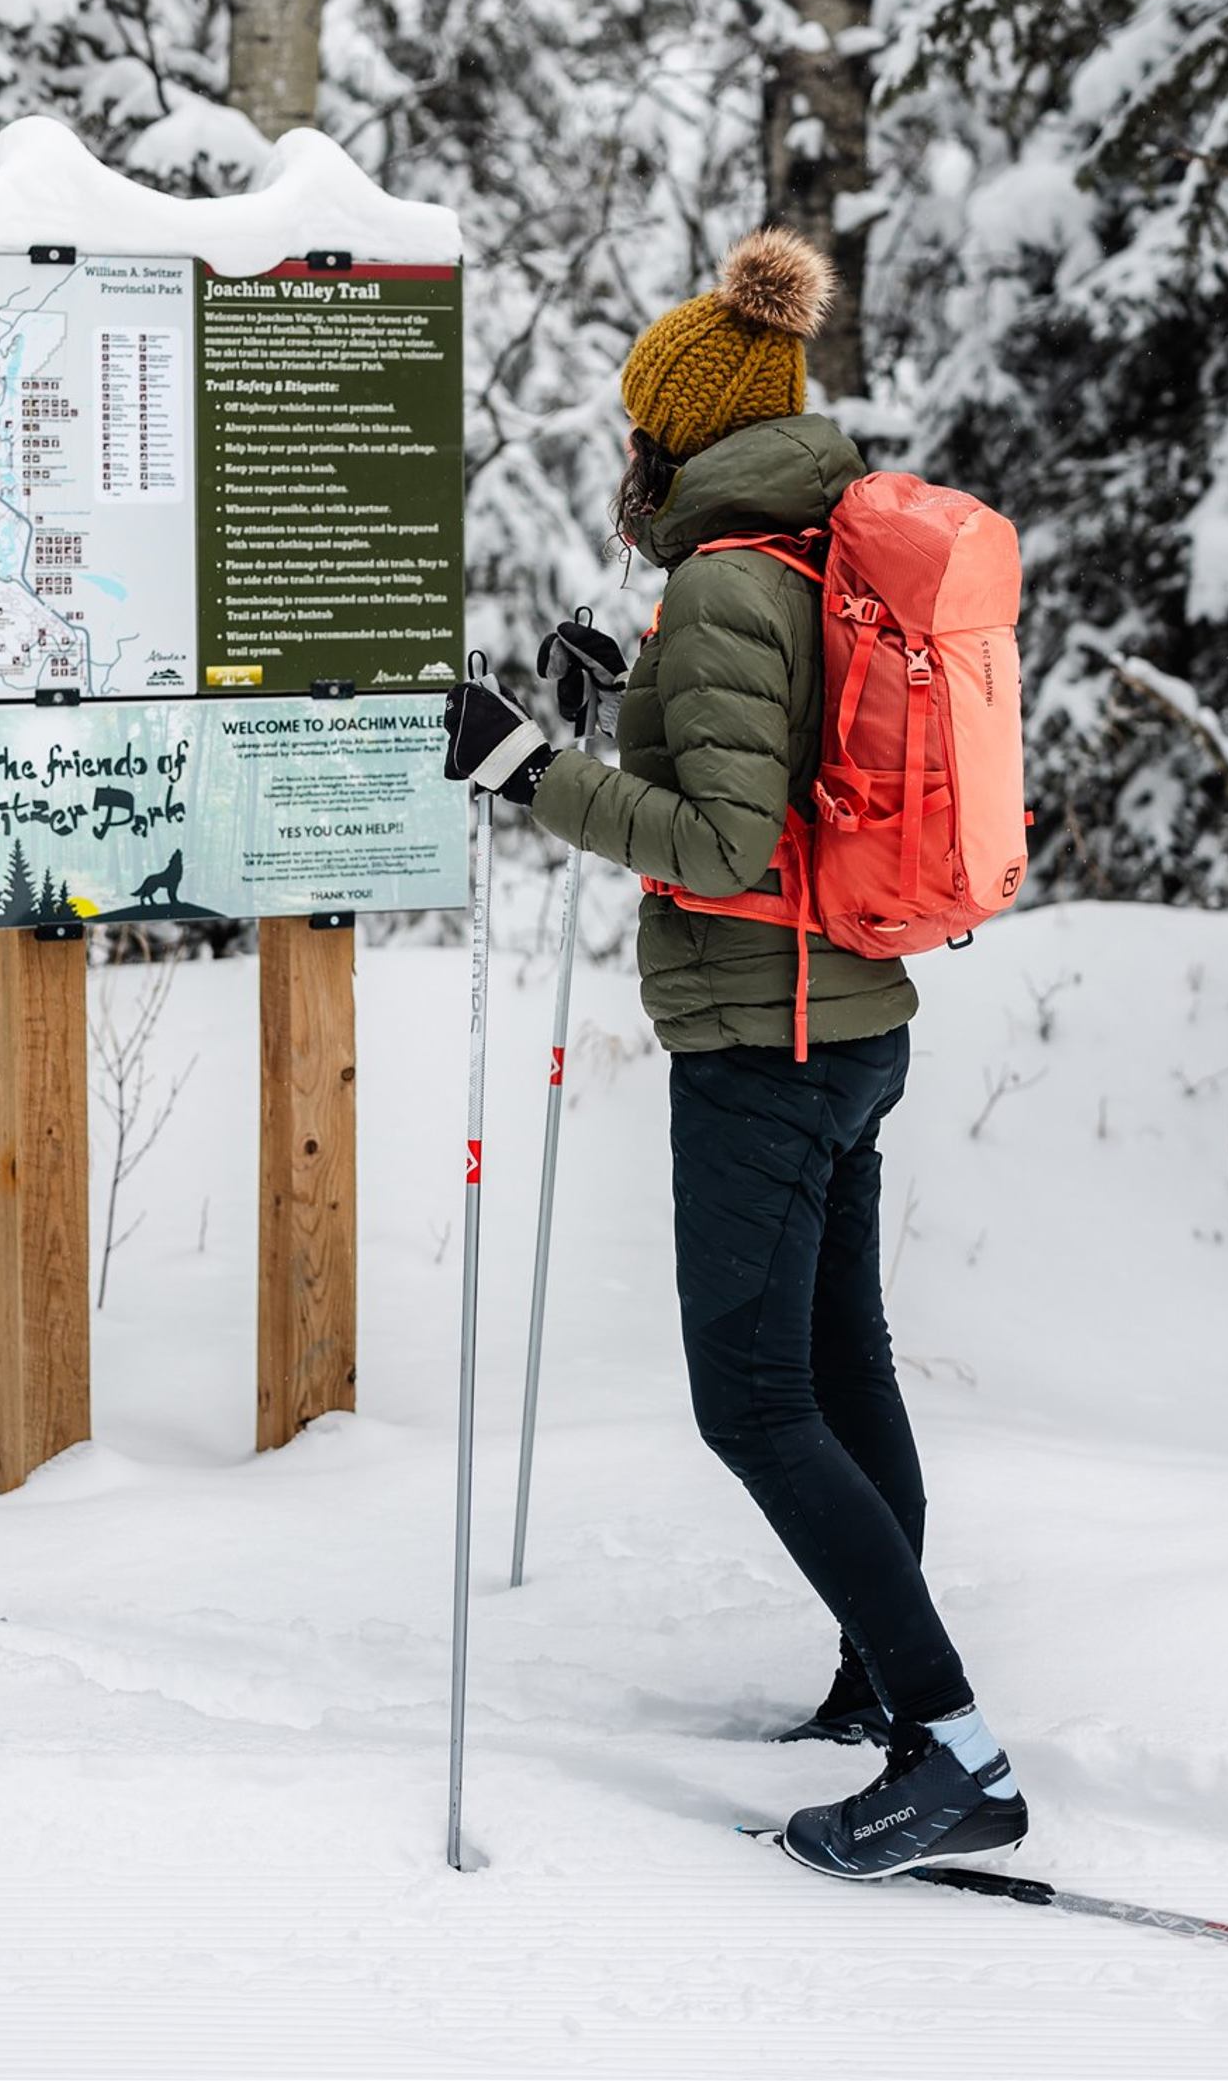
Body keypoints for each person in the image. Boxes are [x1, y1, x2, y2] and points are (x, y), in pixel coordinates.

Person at [442, 229, 1026, 1882]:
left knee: (755, 1402)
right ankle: (879, 1691)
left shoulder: (722, 581)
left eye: (640, 424)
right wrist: (618, 705)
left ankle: (954, 1743)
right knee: (845, 1373)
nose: (626, 452)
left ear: (676, 435)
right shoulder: (809, 553)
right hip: (848, 1023)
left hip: (765, 1044)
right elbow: (780, 770)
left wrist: (527, 773)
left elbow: (715, 838)